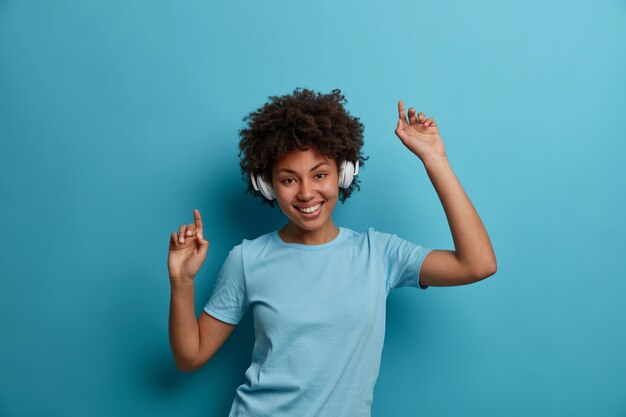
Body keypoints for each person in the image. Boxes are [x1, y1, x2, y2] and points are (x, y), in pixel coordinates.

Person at [167, 88, 497, 417]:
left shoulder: (378, 254)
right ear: (267, 185)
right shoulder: (246, 259)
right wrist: (182, 281)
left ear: (344, 173)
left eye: (320, 174)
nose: (307, 193)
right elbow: (190, 357)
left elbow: (477, 264)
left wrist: (435, 159)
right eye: (288, 180)